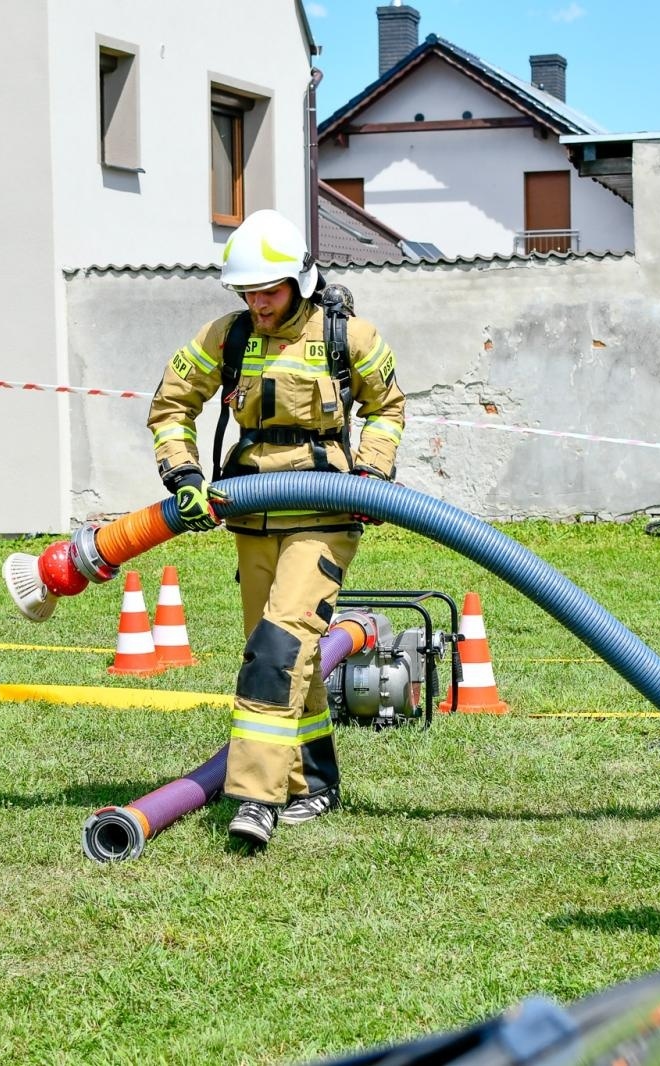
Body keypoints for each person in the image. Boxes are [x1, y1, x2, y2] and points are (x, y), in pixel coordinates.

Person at [146, 208, 406, 848]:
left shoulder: (351, 337)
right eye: (247, 292)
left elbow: (387, 408)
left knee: (280, 647)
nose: (257, 304)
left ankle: (255, 797)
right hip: (252, 513)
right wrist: (182, 474)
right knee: (284, 653)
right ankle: (312, 782)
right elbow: (171, 404)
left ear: (301, 280)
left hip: (325, 512)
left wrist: (371, 471)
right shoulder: (227, 337)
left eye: (268, 290)